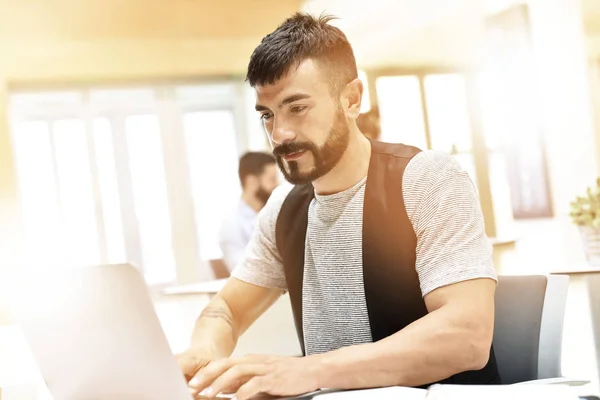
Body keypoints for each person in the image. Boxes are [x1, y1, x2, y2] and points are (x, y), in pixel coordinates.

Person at [177, 13, 500, 400]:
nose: (279, 134)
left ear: (351, 99)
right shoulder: (283, 209)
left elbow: (467, 336)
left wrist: (307, 370)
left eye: (297, 107)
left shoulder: (426, 179)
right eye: (268, 115)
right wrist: (202, 355)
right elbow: (225, 311)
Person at [218, 151, 279, 272]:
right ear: (251, 182)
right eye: (272, 180)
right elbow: (243, 271)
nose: (277, 185)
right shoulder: (231, 225)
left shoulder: (275, 214)